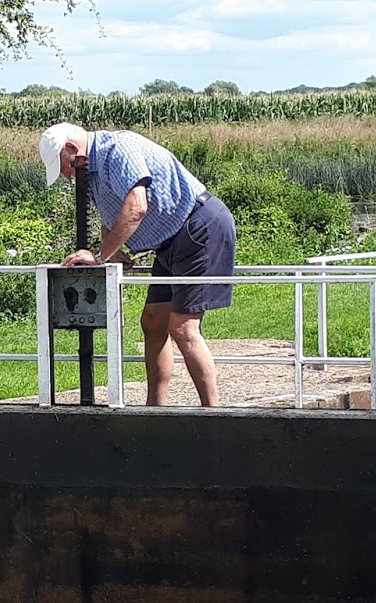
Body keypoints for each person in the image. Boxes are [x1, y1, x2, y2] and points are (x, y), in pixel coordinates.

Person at [39, 122, 236, 406]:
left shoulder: (118, 149)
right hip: (171, 240)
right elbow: (112, 214)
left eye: (64, 168)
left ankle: (214, 414)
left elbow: (136, 206)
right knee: (153, 321)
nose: (67, 176)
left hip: (198, 227)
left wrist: (99, 256)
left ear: (72, 149)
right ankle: (154, 409)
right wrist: (113, 249)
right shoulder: (92, 170)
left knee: (183, 328)